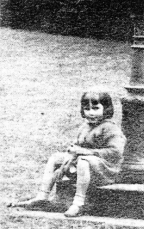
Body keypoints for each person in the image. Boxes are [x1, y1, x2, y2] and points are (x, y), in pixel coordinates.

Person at [12, 89, 126, 217]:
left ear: (106, 109)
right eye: (87, 109)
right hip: (86, 165)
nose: (91, 113)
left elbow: (115, 152)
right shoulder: (85, 126)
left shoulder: (110, 128)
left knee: (83, 161)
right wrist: (71, 153)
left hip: (106, 168)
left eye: (95, 108)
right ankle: (42, 196)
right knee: (55, 158)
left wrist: (86, 152)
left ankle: (78, 203)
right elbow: (77, 145)